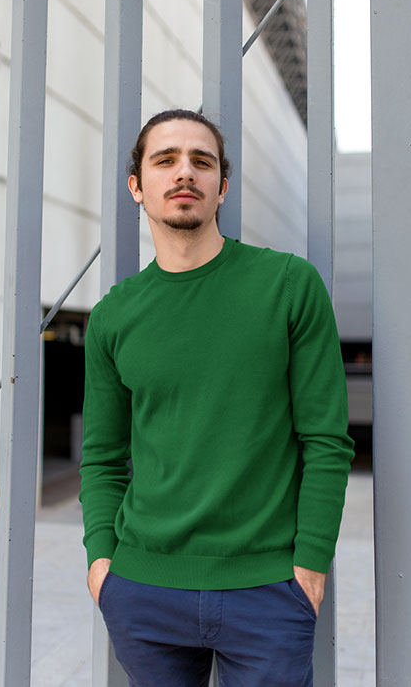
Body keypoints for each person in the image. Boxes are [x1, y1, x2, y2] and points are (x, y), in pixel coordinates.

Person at [79, 109, 355, 686]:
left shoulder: (288, 285)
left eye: (201, 161)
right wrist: (103, 563)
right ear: (137, 186)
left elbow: (326, 440)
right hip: (143, 590)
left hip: (268, 590)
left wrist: (310, 563)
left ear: (222, 186)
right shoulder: (113, 316)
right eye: (166, 160)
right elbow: (103, 457)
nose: (185, 172)